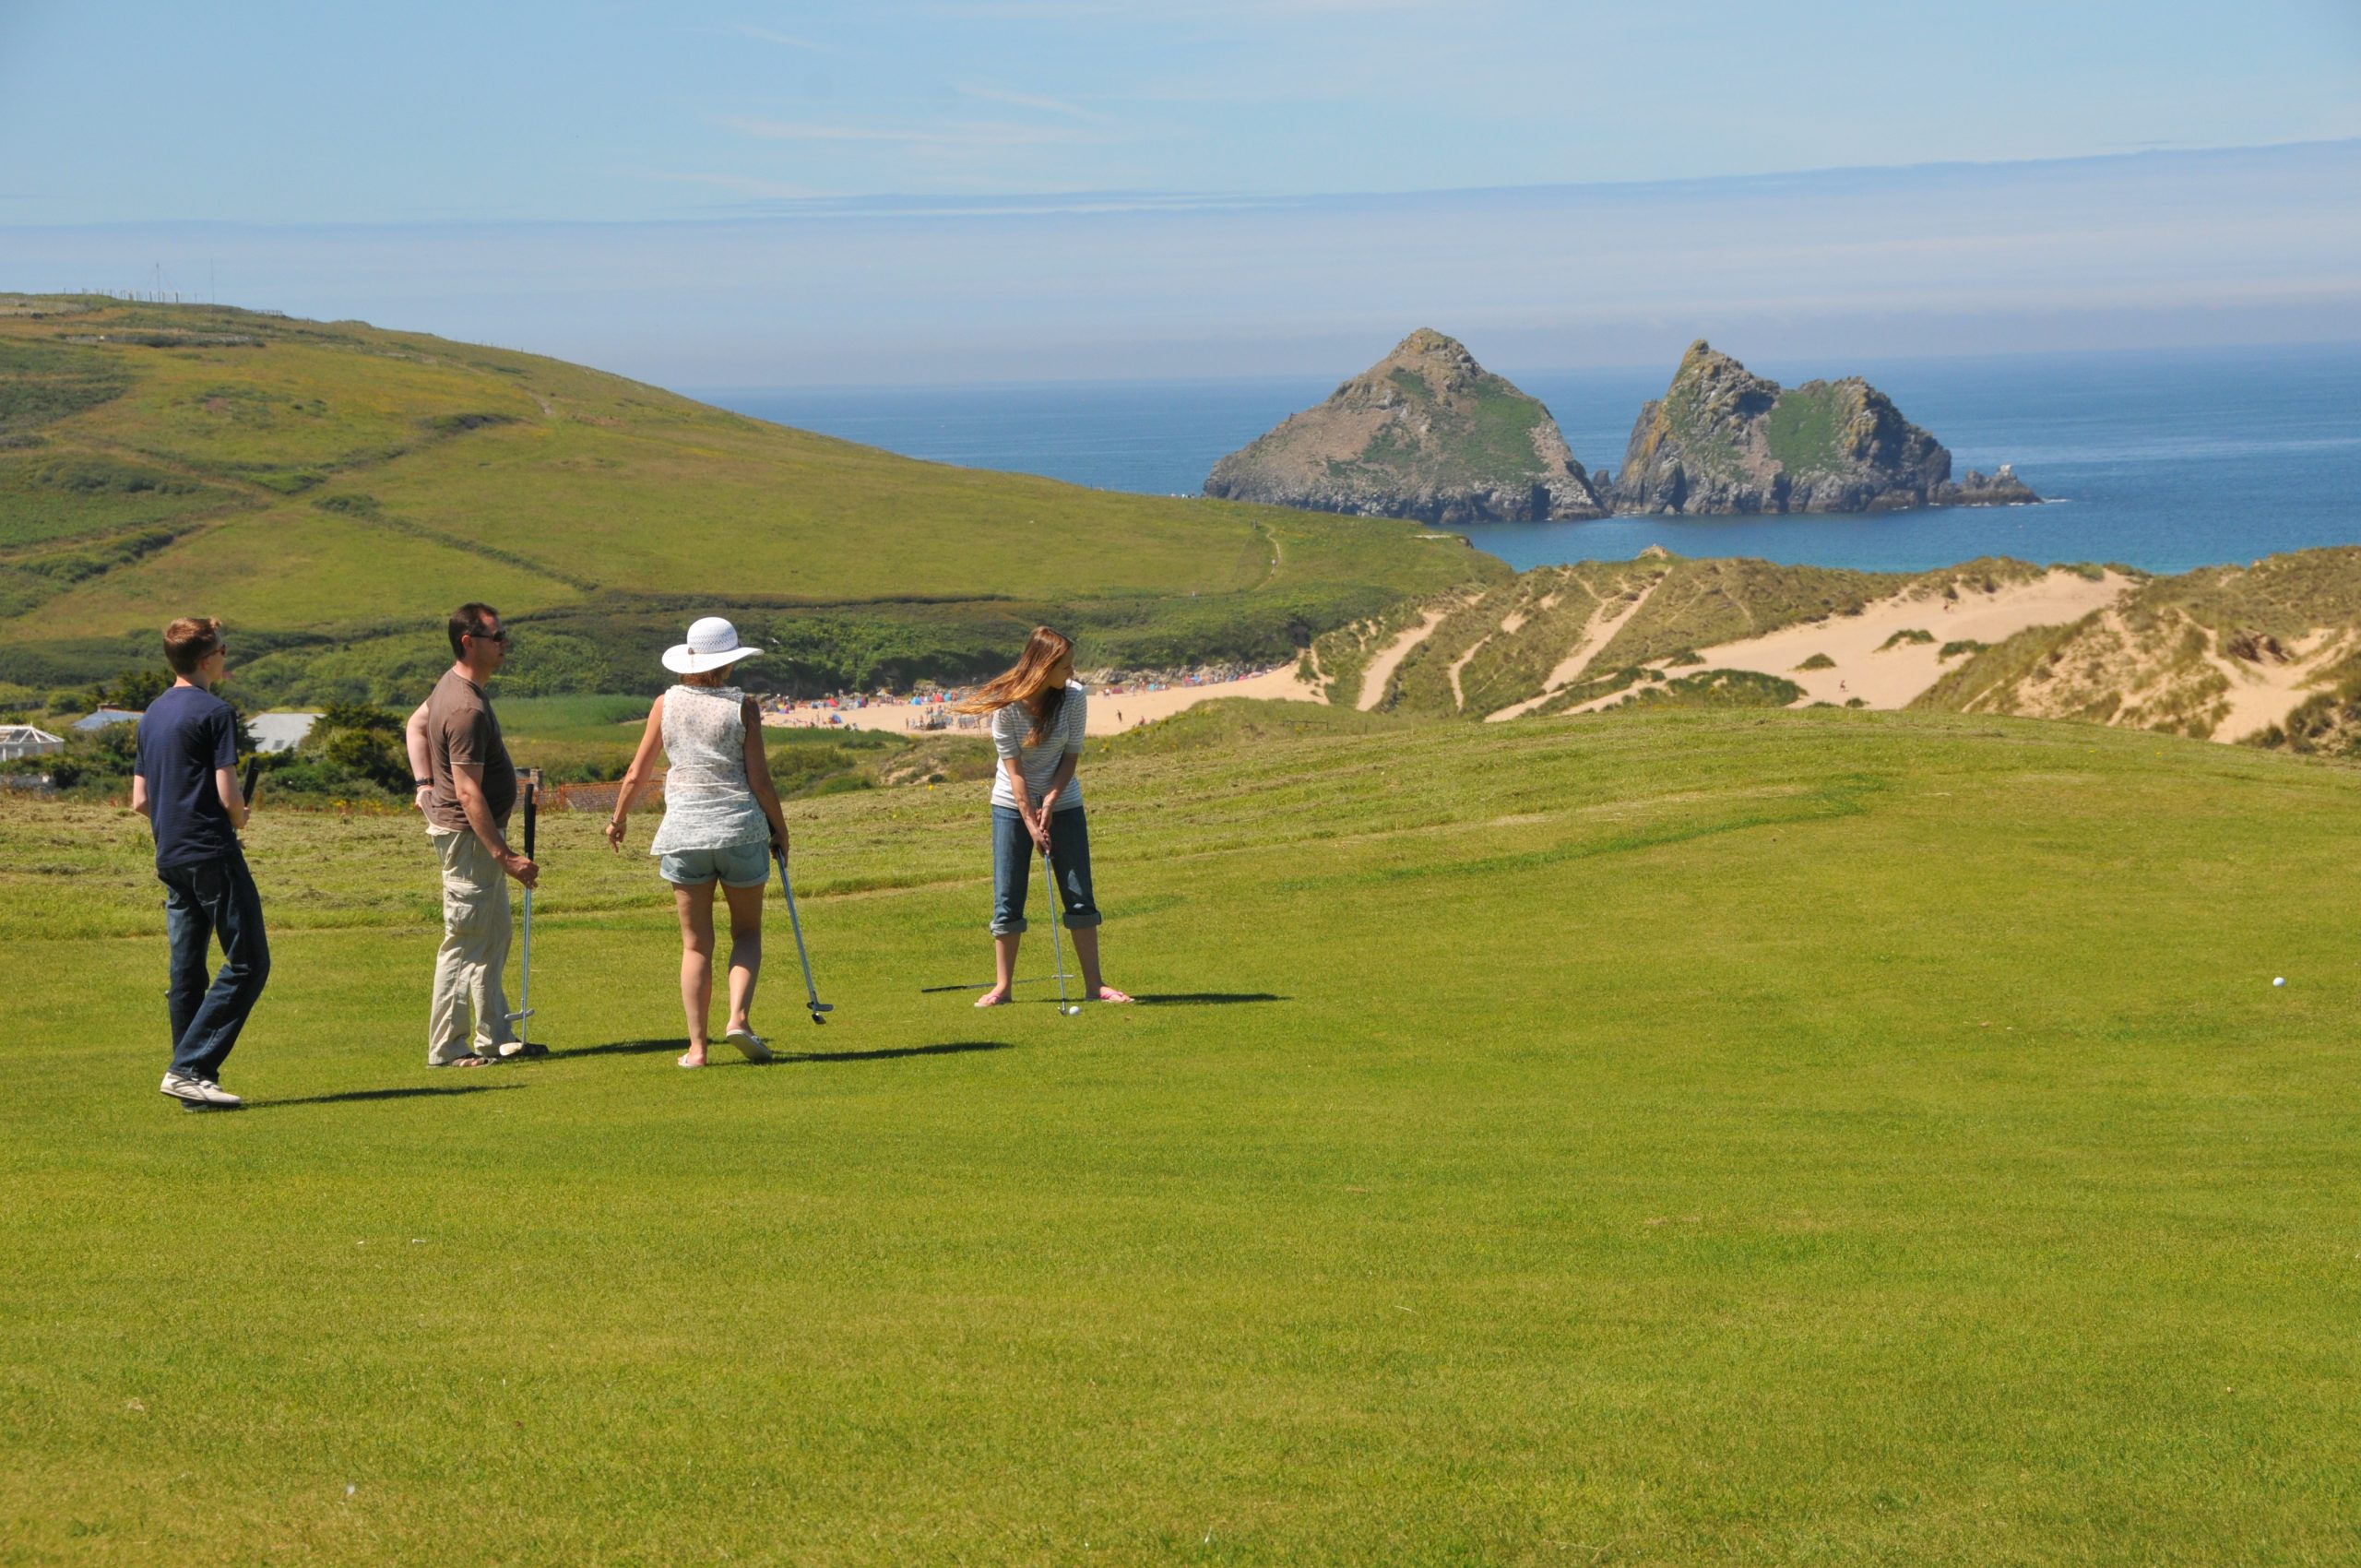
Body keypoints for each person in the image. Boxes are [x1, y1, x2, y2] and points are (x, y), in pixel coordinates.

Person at [604, 617, 791, 1068]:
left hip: (684, 832)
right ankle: (739, 1020)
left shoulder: (665, 703)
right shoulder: (743, 706)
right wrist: (780, 829)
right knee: (746, 933)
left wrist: (618, 819)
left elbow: (637, 771)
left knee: (695, 944)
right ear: (728, 662)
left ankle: (697, 1048)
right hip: (739, 829)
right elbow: (760, 780)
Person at [955, 626, 1132, 1008]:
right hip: (1009, 804)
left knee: (1079, 894)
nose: (1071, 673)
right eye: (1065, 666)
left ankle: (1094, 985)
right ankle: (1003, 988)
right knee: (1008, 897)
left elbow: (1070, 758)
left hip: (1064, 799)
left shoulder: (1074, 697)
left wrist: (1049, 802)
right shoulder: (1006, 707)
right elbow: (1014, 771)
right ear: (1043, 666)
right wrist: (1031, 822)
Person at [131, 616, 267, 1110]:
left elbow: (140, 800)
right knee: (250, 960)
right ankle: (189, 1068)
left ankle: (190, 1087)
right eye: (223, 649)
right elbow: (227, 791)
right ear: (208, 659)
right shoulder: (215, 712)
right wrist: (240, 816)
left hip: (169, 852)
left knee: (187, 971)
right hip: (211, 848)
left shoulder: (151, 715)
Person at [402, 602, 538, 1067]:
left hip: (473, 836)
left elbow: (416, 724)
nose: (505, 645)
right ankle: (448, 1047)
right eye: (496, 637)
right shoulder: (465, 707)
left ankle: (496, 1036)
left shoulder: (454, 686)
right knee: (465, 939)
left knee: (493, 934)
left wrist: (422, 783)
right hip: (469, 839)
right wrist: (505, 856)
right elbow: (467, 791)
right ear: (469, 642)